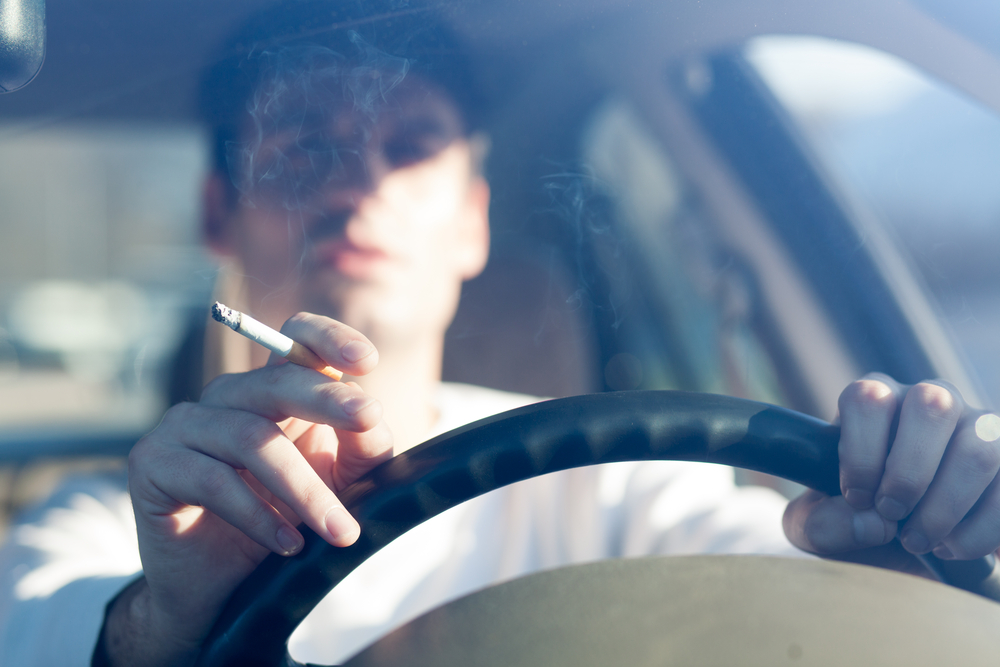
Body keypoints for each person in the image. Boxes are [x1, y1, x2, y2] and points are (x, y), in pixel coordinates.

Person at [2, 3, 1000, 665]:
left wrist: (912, 548)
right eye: (305, 146)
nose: (359, 183)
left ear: (474, 217)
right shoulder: (116, 523)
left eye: (410, 146)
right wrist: (156, 621)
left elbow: (782, 615)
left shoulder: (616, 473)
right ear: (219, 212)